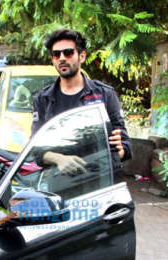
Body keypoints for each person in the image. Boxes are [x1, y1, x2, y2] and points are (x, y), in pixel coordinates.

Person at [31, 29, 132, 174]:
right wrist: (59, 159)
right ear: (52, 59)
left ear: (82, 56)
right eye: (56, 54)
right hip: (58, 185)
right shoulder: (43, 99)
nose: (62, 58)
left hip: (98, 181)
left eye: (68, 52)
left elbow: (125, 146)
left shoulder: (104, 94)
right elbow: (35, 148)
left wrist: (119, 152)